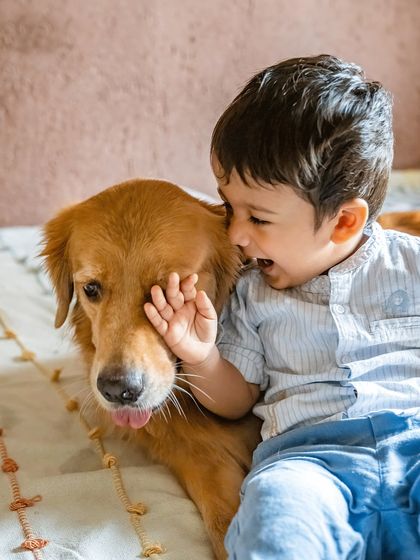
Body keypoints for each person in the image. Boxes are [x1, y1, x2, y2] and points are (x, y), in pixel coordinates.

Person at [144, 55, 420, 559]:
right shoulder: (250, 294)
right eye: (229, 207)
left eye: (259, 218)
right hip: (310, 463)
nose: (235, 234)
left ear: (342, 223)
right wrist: (201, 355)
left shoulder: (411, 264)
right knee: (273, 519)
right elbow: (236, 398)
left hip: (415, 442)